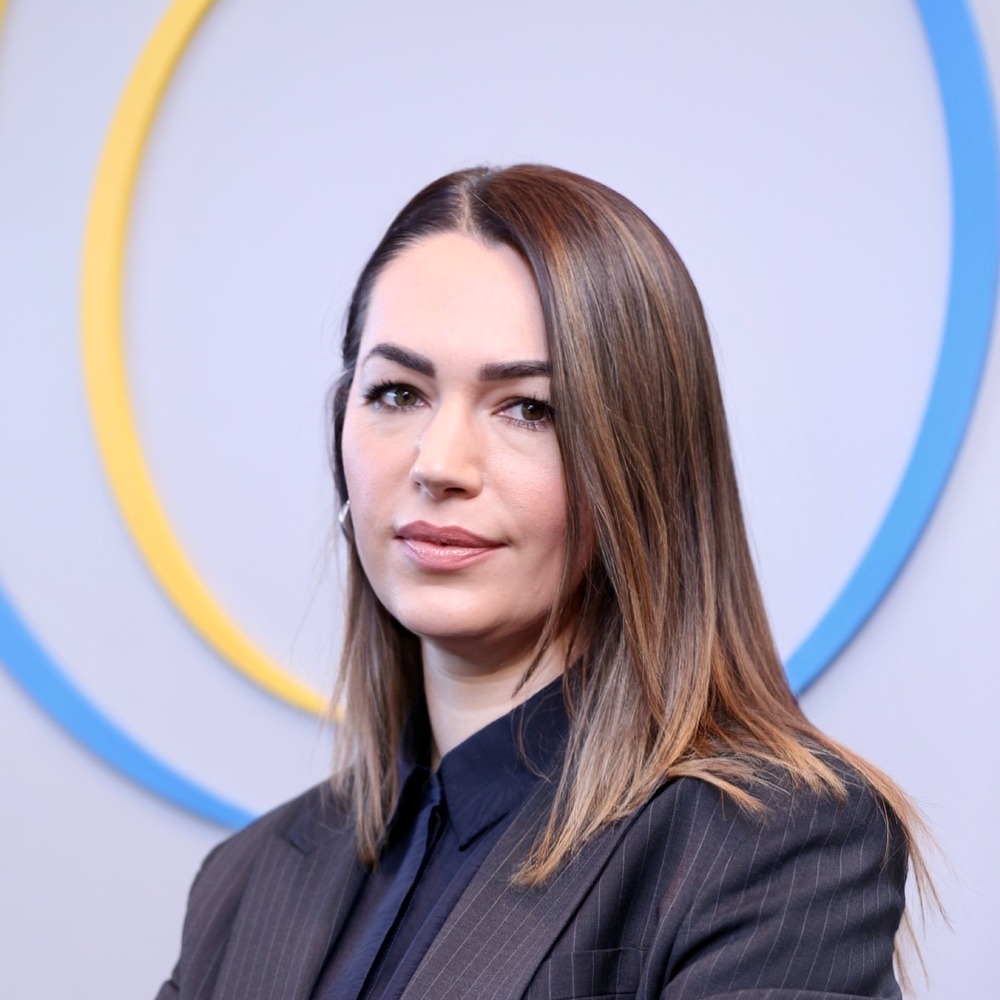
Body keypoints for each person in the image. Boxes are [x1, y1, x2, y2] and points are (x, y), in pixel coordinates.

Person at [156, 164, 927, 1000]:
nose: (438, 464)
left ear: (639, 462)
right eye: (398, 393)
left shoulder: (775, 845)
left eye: (529, 408)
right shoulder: (242, 884)